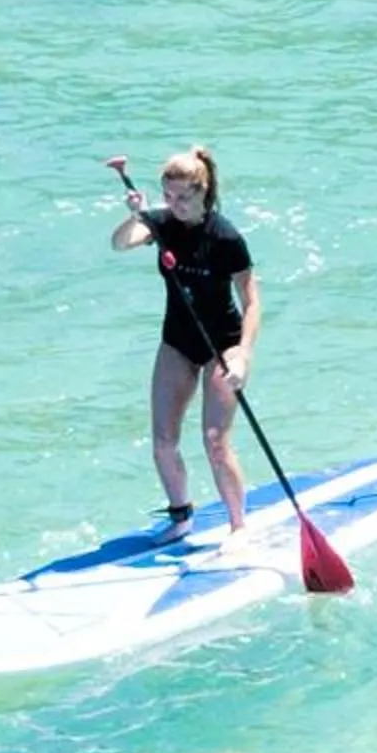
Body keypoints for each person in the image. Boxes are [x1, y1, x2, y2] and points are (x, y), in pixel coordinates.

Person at [111, 146, 260, 541]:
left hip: (222, 346)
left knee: (214, 440)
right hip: (177, 341)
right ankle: (181, 518)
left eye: (183, 197)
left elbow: (252, 302)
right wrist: (134, 213)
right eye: (168, 196)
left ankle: (239, 527)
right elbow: (121, 243)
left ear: (203, 194)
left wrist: (243, 356)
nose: (174, 205)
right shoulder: (160, 225)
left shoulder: (226, 237)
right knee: (162, 440)